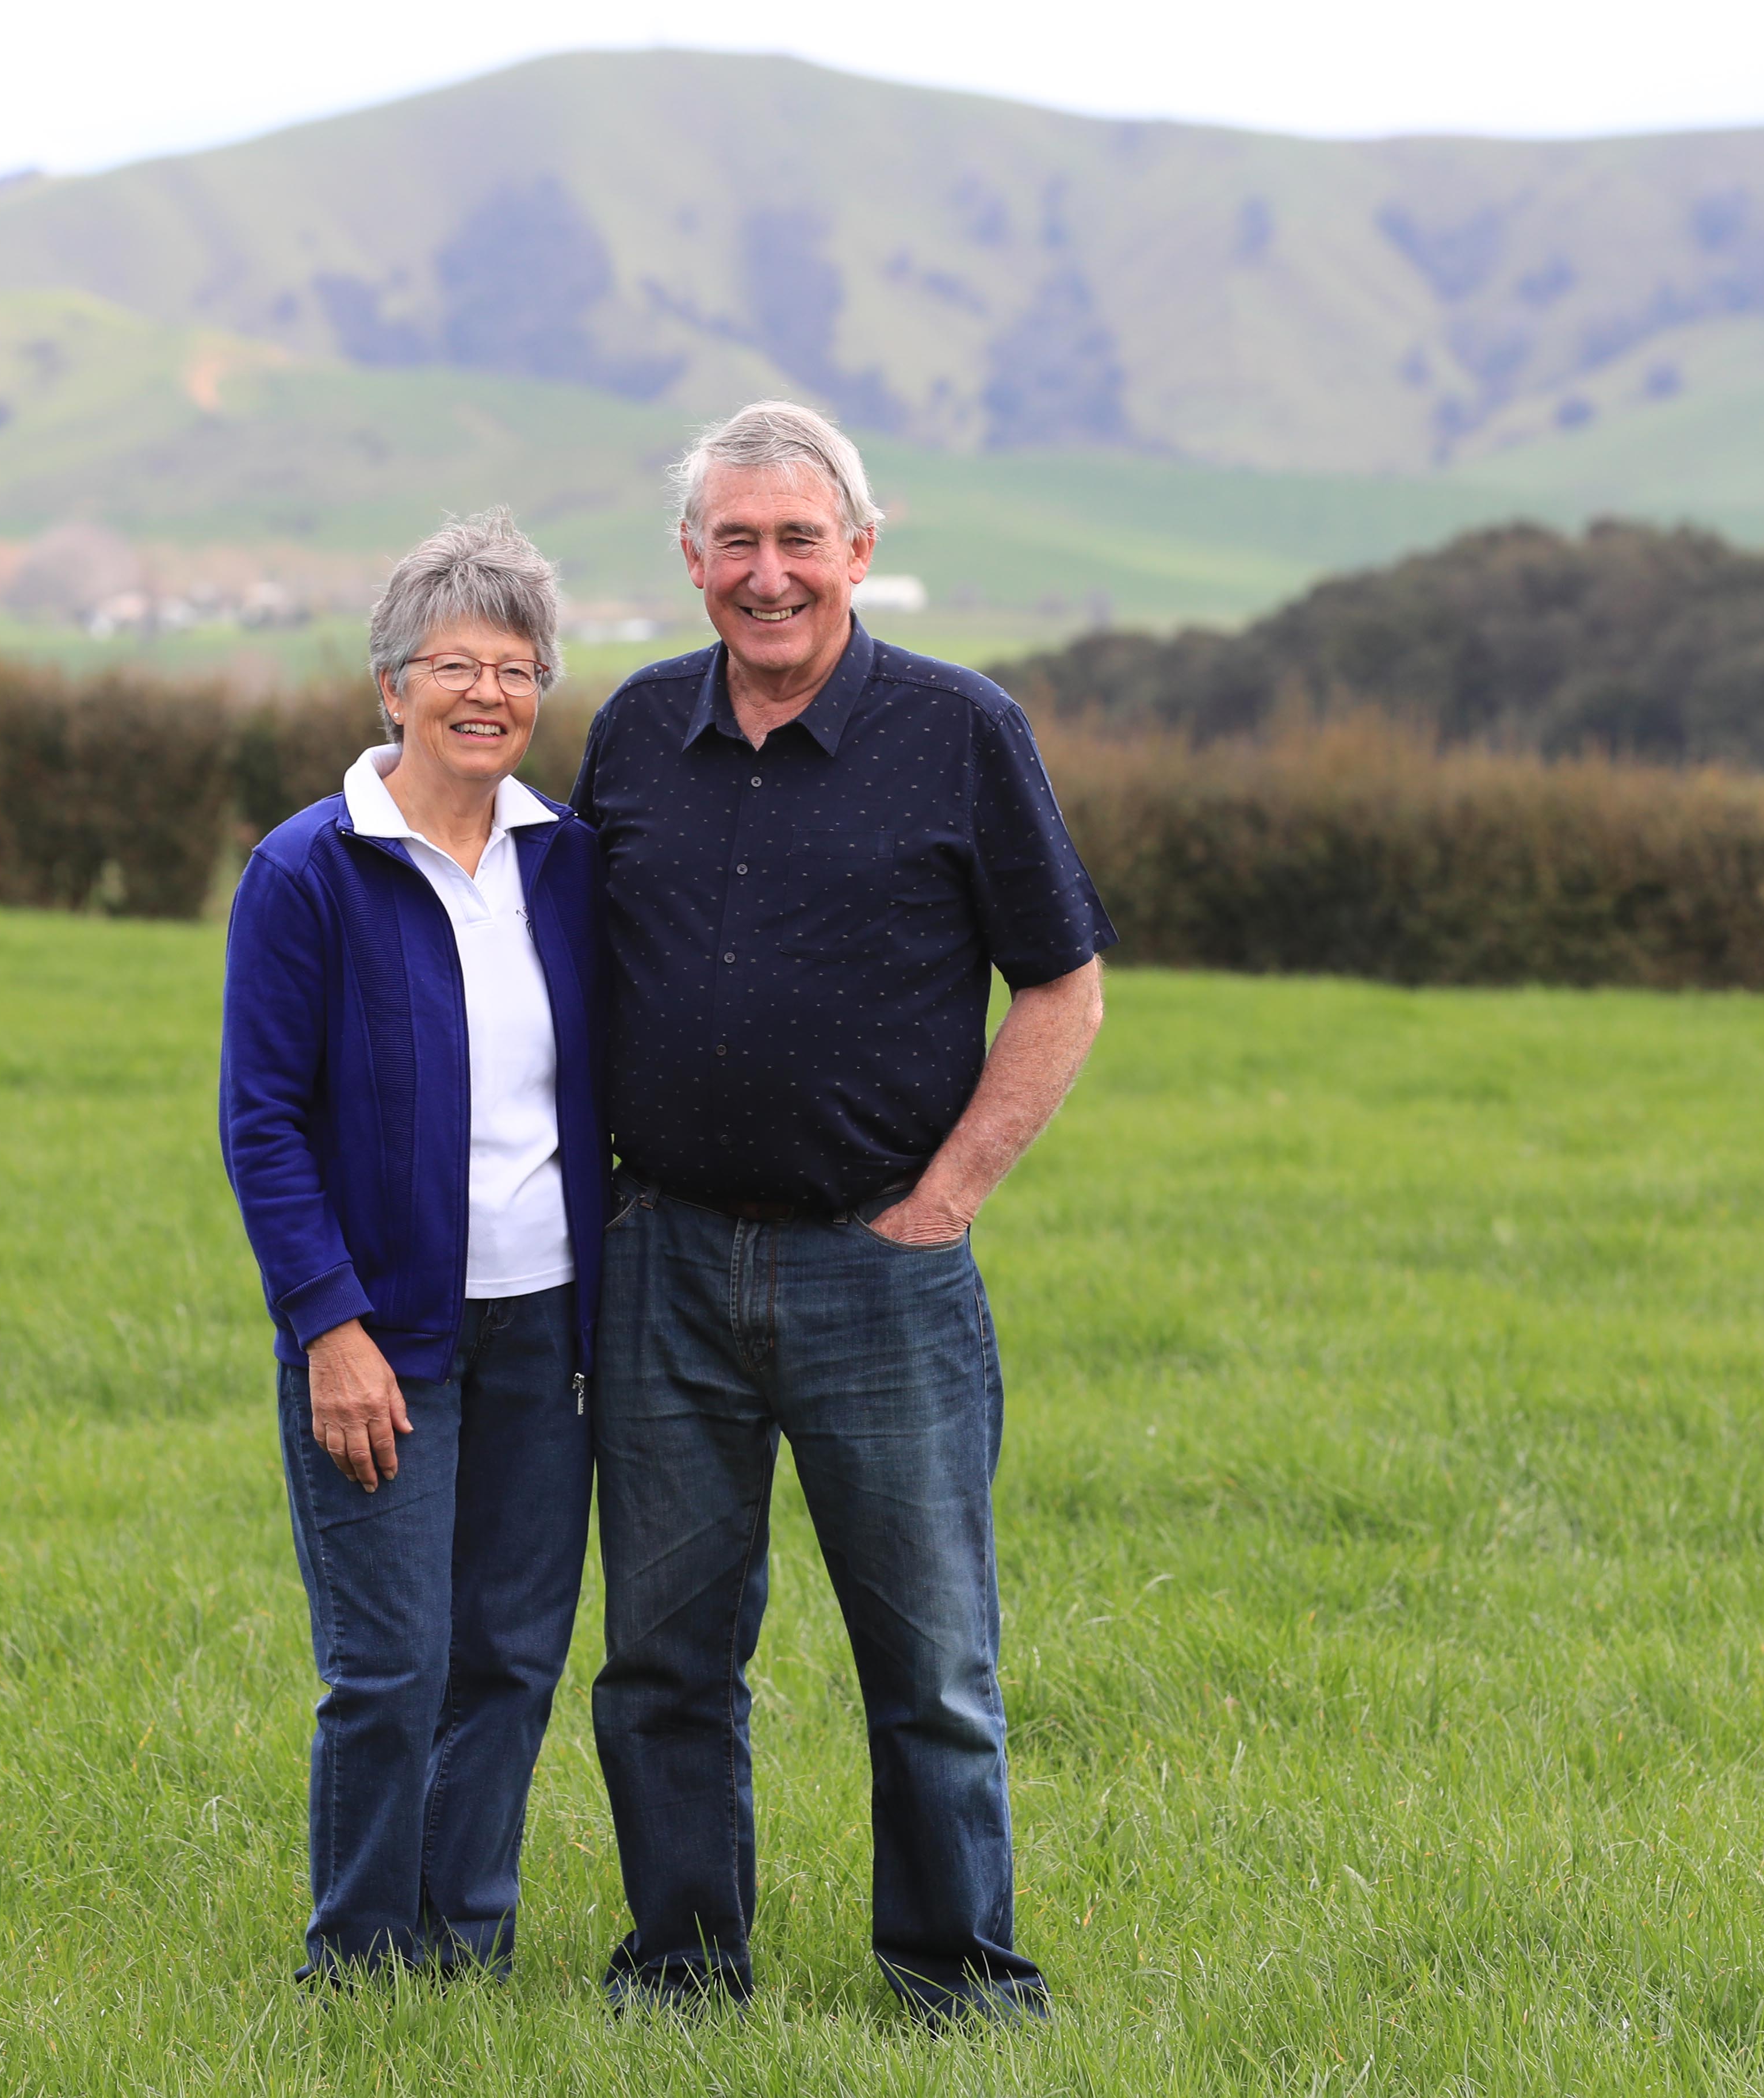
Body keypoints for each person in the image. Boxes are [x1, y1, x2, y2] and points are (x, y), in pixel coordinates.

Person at [571, 401, 1113, 2022]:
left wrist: (947, 1201)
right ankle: (681, 1976)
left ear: (860, 551)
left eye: (799, 539)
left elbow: (1065, 986)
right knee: (662, 1663)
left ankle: (957, 1984)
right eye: (735, 541)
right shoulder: (632, 731)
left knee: (931, 1667)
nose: (769, 573)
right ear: (690, 559)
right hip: (663, 1260)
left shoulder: (960, 730)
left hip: (882, 1270)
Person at [220, 511, 604, 1980]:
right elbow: (262, 1123)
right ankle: (360, 1961)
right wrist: (329, 1326)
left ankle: (466, 1950)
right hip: (383, 1337)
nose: (487, 694)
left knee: (509, 1661)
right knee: (388, 1668)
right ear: (392, 685)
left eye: (516, 668)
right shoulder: (308, 872)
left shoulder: (568, 865)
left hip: (548, 1332)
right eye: (455, 665)